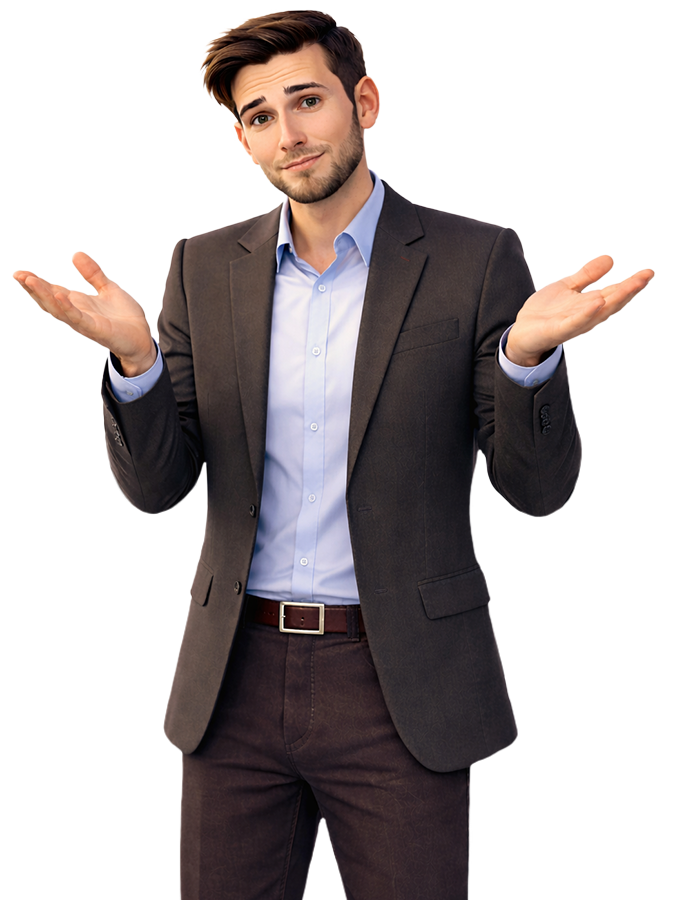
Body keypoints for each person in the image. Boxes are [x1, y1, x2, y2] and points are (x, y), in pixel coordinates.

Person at [12, 10, 654, 900]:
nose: (288, 133)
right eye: (259, 117)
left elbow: (536, 490)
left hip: (403, 683)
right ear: (242, 138)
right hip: (233, 676)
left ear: (364, 103)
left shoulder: (474, 260)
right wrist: (136, 363)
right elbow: (155, 484)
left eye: (306, 101)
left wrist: (526, 359)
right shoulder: (201, 268)